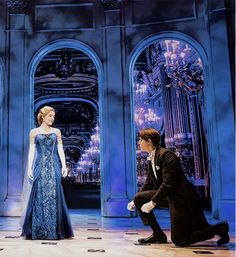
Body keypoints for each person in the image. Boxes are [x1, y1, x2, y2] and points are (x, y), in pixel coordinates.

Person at [127, 128, 229, 247]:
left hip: (181, 198)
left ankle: (219, 228)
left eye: (140, 140)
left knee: (179, 240)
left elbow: (168, 183)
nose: (139, 142)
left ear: (148, 141)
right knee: (139, 197)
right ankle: (158, 235)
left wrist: (153, 203)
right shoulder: (151, 157)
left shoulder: (166, 155)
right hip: (169, 195)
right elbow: (149, 182)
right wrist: (135, 200)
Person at [21, 106, 74, 240]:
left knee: (54, 194)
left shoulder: (57, 132)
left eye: (53, 116)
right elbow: (32, 151)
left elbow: (60, 149)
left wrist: (64, 165)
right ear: (43, 117)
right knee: (38, 194)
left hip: (53, 165)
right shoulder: (33, 132)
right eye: (50, 116)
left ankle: (54, 229)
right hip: (39, 165)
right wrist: (29, 168)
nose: (52, 118)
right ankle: (38, 230)